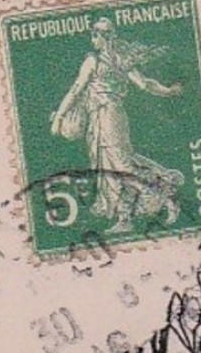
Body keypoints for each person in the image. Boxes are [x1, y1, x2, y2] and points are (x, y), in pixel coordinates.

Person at [49, 17, 185, 234]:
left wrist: (58, 118)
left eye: (95, 35)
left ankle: (163, 194)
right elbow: (144, 84)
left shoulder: (93, 62)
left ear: (102, 38)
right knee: (112, 167)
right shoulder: (121, 60)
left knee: (121, 166)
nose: (93, 39)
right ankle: (125, 219)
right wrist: (167, 91)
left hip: (106, 116)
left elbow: (76, 90)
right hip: (108, 115)